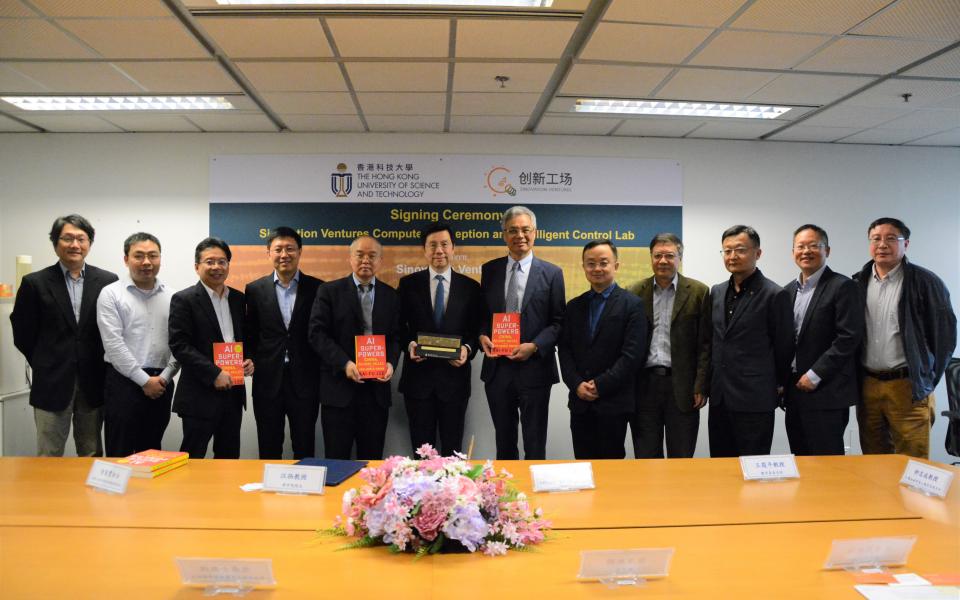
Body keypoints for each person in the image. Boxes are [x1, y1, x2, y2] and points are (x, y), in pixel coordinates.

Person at [10, 214, 118, 457]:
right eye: (67, 238)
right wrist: (44, 360)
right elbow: (22, 331)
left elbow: (113, 330)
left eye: (81, 238)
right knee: (49, 452)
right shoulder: (35, 283)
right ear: (55, 243)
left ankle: (91, 496)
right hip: (51, 381)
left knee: (91, 452)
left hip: (94, 380)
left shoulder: (107, 281)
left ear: (89, 243)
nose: (75, 245)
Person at [853, 217, 956, 459]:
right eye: (876, 239)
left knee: (913, 462)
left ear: (906, 244)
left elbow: (944, 337)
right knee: (874, 461)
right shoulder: (857, 281)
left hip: (907, 386)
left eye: (891, 238)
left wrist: (926, 378)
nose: (882, 244)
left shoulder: (925, 282)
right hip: (868, 385)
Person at [478, 205, 565, 460]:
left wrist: (535, 346)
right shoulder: (490, 270)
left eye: (525, 230)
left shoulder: (552, 273)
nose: (520, 236)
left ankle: (533, 498)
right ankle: (507, 499)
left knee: (535, 444)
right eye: (513, 230)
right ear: (504, 234)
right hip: (498, 370)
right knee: (504, 443)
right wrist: (482, 335)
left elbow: (559, 322)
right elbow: (483, 316)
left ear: (535, 232)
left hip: (535, 370)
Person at [308, 235, 400, 460]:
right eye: (360, 255)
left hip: (376, 394)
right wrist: (345, 364)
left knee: (372, 462)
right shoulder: (329, 291)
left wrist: (390, 362)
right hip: (339, 390)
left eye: (372, 256)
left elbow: (397, 337)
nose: (366, 260)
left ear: (380, 261)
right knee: (336, 459)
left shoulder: (392, 295)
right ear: (350, 259)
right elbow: (317, 334)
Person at [707, 225, 793, 457]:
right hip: (720, 397)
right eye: (727, 251)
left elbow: (784, 347)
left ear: (757, 253)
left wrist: (777, 384)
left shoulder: (774, 294)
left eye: (740, 250)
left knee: (753, 467)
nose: (732, 256)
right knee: (721, 466)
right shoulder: (716, 291)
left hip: (755, 398)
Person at [397, 223, 482, 455]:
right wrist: (410, 344)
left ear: (453, 248)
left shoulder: (471, 288)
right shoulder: (407, 285)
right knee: (421, 452)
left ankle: (452, 492)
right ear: (424, 250)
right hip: (418, 382)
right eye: (432, 245)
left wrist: (467, 348)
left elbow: (477, 330)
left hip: (454, 381)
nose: (439, 250)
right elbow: (397, 327)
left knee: (453, 452)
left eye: (444, 244)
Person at [559, 240, 646, 459]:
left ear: (616, 266)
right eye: (591, 263)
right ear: (583, 267)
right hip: (580, 403)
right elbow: (565, 351)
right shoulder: (573, 306)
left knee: (612, 469)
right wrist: (577, 384)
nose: (597, 268)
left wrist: (600, 385)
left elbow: (632, 356)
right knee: (583, 464)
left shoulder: (632, 305)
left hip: (614, 402)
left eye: (603, 263)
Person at [168, 237, 253, 459]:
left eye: (222, 261)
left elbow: (244, 338)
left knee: (229, 459)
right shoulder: (184, 299)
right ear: (197, 266)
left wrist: (249, 360)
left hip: (233, 393)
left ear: (228, 265)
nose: (216, 267)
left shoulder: (238, 298)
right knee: (193, 459)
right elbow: (180, 345)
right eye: (209, 261)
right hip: (199, 394)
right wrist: (214, 373)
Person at [96, 232, 179, 457]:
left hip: (162, 383)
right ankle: (115, 494)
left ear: (160, 258)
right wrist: (144, 381)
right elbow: (114, 345)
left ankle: (149, 494)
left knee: (151, 451)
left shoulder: (174, 297)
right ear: (126, 259)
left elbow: (179, 344)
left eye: (153, 256)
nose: (146, 262)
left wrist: (164, 377)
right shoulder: (111, 294)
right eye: (139, 256)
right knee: (119, 451)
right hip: (123, 382)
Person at [629, 233, 711, 459]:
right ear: (651, 258)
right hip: (644, 386)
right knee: (646, 456)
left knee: (682, 456)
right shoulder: (634, 292)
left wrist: (701, 385)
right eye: (657, 256)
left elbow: (706, 344)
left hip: (683, 387)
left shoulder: (699, 292)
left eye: (669, 255)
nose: (663, 261)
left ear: (680, 258)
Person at [783, 225, 863, 456]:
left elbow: (849, 337)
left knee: (827, 463)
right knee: (800, 456)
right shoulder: (788, 291)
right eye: (800, 246)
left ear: (827, 250)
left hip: (826, 391)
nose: (806, 251)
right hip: (795, 390)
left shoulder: (843, 286)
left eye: (813, 245)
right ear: (793, 252)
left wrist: (815, 374)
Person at [245, 227, 323, 460]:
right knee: (268, 445)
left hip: (306, 380)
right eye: (278, 249)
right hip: (268, 380)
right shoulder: (255, 289)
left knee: (304, 444)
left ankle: (306, 493)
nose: (284, 254)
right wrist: (248, 358)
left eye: (290, 249)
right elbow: (250, 333)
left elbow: (321, 333)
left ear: (300, 252)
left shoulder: (318, 288)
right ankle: (269, 495)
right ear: (268, 253)